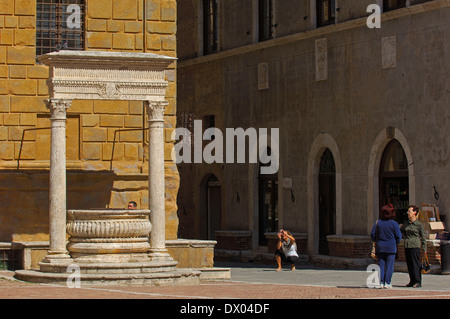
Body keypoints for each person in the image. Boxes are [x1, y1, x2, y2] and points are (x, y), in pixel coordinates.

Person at [370, 204, 402, 288]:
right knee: (389, 265)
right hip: (391, 247)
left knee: (381, 265)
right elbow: (399, 236)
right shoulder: (394, 224)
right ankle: (388, 282)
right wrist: (396, 242)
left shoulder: (378, 223)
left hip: (380, 247)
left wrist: (376, 241)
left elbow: (372, 234)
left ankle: (381, 282)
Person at [400, 205, 427, 288]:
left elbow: (423, 237)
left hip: (415, 245)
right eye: (408, 211)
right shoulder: (407, 224)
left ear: (414, 212)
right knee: (409, 264)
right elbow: (402, 231)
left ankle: (417, 281)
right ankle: (412, 280)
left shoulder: (418, 224)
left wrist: (424, 248)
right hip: (407, 245)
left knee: (415, 264)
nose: (408, 213)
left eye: (410, 211)